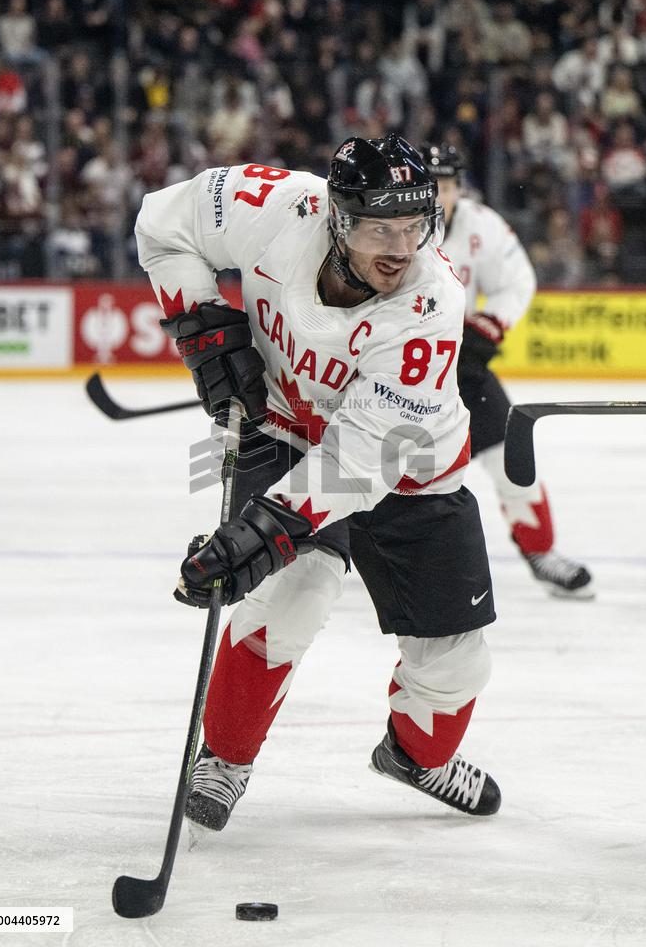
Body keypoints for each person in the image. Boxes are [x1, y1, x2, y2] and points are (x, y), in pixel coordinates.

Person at [135, 134, 501, 836]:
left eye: (413, 226)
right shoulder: (271, 205)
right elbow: (161, 222)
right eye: (376, 227)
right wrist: (201, 327)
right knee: (290, 595)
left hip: (411, 468)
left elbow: (360, 461)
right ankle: (225, 755)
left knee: (456, 663)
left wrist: (259, 534)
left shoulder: (428, 304)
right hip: (283, 432)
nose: (399, 247)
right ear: (335, 218)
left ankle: (412, 757)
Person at [422, 143, 593, 598]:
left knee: (510, 456)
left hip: (460, 365)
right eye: (432, 184)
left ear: (459, 187)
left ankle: (541, 551)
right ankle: (336, 550)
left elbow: (518, 281)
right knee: (383, 465)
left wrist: (485, 330)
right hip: (399, 367)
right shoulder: (394, 225)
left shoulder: (481, 225)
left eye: (447, 185)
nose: (439, 195)